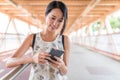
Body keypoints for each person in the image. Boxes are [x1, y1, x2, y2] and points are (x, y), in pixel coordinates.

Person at [6, 0, 70, 80]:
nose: (55, 23)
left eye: (60, 20)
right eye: (52, 18)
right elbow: (9, 62)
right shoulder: (32, 38)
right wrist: (32, 59)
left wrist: (61, 65)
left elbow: (65, 72)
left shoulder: (65, 40)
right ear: (46, 15)